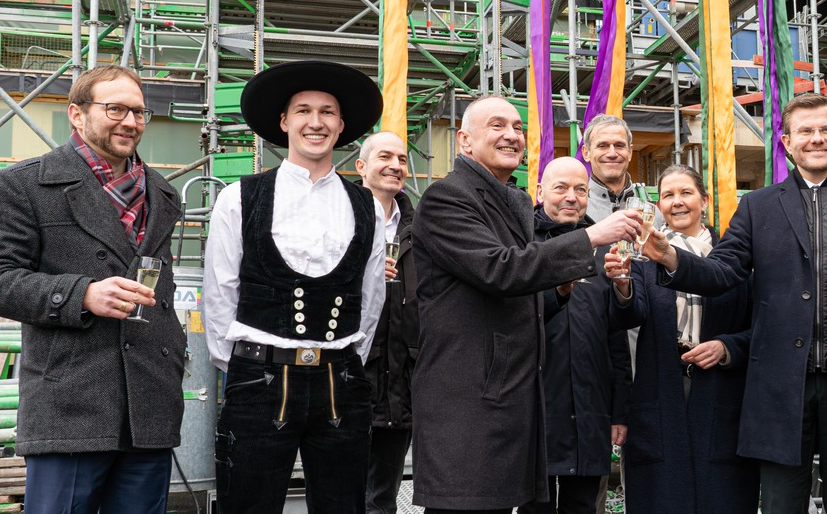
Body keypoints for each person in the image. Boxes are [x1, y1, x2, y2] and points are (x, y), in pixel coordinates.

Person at [642, 93, 827, 514]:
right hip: (777, 390)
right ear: (786, 141)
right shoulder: (757, 206)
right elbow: (722, 271)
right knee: (778, 505)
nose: (816, 139)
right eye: (805, 131)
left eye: (825, 129)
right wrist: (670, 258)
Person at [410, 96, 643, 514]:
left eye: (518, 127)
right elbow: (500, 270)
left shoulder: (509, 201)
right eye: (497, 125)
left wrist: (560, 289)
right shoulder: (447, 197)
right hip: (470, 401)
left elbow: (524, 295)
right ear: (464, 140)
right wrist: (590, 237)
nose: (512, 135)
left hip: (512, 402)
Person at [0, 65, 184, 514]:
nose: (130, 121)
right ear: (76, 114)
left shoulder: (163, 194)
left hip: (150, 403)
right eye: (115, 109)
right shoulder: (26, 183)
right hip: (70, 402)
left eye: (139, 112)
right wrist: (82, 294)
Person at [202, 60, 386, 514]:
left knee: (344, 507)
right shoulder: (238, 197)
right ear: (284, 122)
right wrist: (246, 366)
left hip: (341, 380)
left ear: (342, 126)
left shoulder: (368, 205)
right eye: (303, 110)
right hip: (258, 377)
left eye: (327, 112)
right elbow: (219, 293)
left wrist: (344, 360)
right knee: (247, 505)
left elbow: (371, 298)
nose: (316, 122)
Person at [604, 164, 757, 514]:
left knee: (723, 498)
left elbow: (760, 329)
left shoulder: (736, 259)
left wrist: (727, 348)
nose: (677, 202)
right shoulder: (642, 258)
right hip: (661, 393)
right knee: (662, 498)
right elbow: (628, 315)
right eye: (668, 195)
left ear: (704, 200)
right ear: (658, 206)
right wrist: (623, 285)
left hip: (721, 392)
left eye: (686, 193)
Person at [518, 157, 632, 514]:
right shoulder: (520, 245)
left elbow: (616, 336)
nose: (572, 197)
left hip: (589, 405)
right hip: (533, 405)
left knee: (583, 506)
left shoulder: (607, 247)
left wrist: (619, 409)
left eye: (580, 189)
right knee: (534, 506)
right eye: (561, 188)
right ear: (539, 192)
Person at [357, 131, 419, 514]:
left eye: (401, 158)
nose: (395, 165)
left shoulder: (420, 227)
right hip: (349, 379)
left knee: (382, 498)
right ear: (362, 166)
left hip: (402, 384)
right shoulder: (339, 217)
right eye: (385, 156)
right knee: (339, 493)